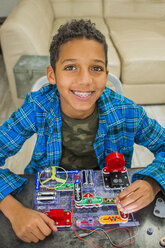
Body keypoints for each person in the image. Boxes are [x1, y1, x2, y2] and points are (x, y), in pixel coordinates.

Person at [0, 19, 164, 243]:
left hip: (112, 203)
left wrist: (152, 183)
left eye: (95, 68)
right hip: (46, 204)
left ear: (106, 76)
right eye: (70, 67)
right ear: (52, 75)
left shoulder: (127, 112)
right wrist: (14, 210)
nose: (85, 80)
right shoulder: (37, 108)